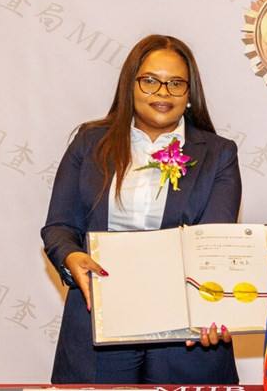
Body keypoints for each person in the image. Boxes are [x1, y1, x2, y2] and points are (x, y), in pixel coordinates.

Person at [41, 35, 241, 384]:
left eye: (176, 83)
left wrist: (213, 308)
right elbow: (58, 226)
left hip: (186, 335)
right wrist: (72, 258)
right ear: (130, 85)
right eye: (150, 80)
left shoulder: (219, 154)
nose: (162, 92)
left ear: (190, 94)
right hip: (98, 323)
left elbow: (213, 244)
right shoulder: (90, 143)